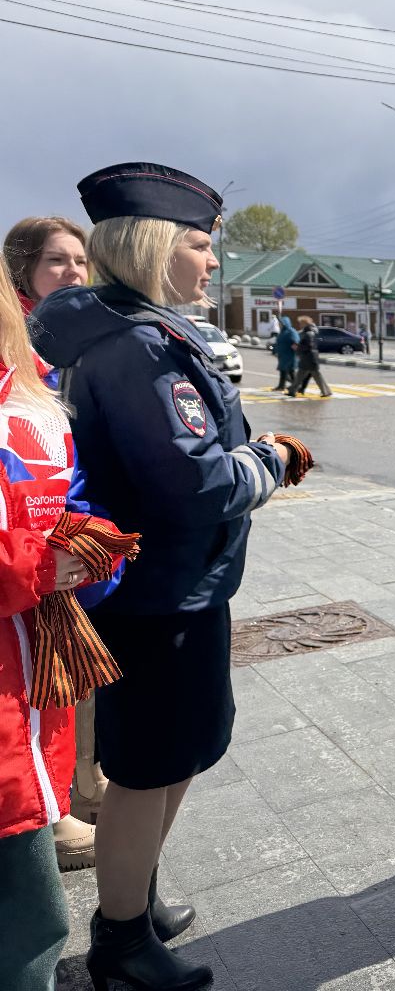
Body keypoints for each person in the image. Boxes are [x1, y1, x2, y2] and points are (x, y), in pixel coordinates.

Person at [32, 162, 292, 991]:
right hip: (158, 595)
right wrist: (276, 459)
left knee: (174, 756)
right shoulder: (140, 344)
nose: (212, 262)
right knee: (148, 768)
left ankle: (131, 903)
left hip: (175, 587)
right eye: (199, 245)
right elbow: (197, 484)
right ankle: (120, 943)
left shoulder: (133, 329)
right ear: (152, 247)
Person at [0, 246, 131, 991]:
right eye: (58, 261)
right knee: (25, 916)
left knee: (34, 917)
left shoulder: (34, 381)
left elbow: (67, 483)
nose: (75, 274)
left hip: (33, 665)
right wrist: (46, 566)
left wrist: (86, 541)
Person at [4, 215, 115, 871]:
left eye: (81, 262)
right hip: (28, 558)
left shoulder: (58, 336)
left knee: (70, 675)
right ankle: (57, 813)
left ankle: (79, 787)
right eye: (57, 263)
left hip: (61, 543)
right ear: (21, 273)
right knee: (44, 679)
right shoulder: (21, 344)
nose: (74, 273)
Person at [289, 315, 332, 397]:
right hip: (308, 358)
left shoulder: (309, 333)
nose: (300, 325)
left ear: (305, 323)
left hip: (309, 358)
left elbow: (309, 346)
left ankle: (326, 392)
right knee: (300, 376)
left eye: (301, 323)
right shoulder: (308, 332)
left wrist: (298, 347)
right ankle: (292, 391)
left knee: (317, 376)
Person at [271, 315, 299, 392]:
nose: (279, 325)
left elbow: (296, 342)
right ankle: (281, 386)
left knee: (291, 372)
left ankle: (296, 387)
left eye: (281, 323)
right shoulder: (282, 332)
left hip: (290, 356)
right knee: (283, 371)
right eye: (279, 323)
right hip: (283, 356)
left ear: (285, 323)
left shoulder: (291, 331)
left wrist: (296, 351)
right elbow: (278, 343)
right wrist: (275, 351)